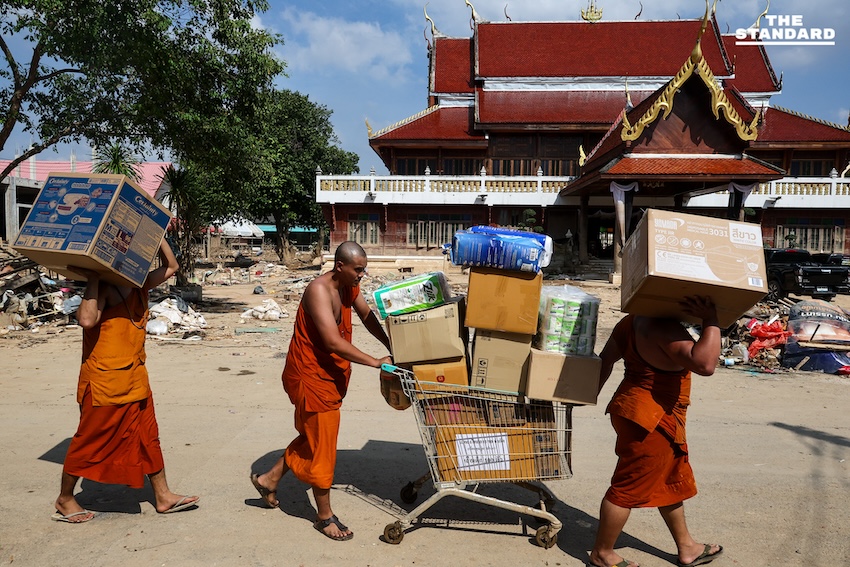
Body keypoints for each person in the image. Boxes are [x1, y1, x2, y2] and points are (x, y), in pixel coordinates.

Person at [250, 241, 392, 542]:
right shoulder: (318, 290)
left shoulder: (349, 286)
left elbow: (366, 316)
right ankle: (324, 516)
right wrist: (374, 361)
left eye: (364, 270)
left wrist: (391, 343)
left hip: (329, 376)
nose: (362, 275)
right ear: (340, 266)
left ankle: (268, 479)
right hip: (310, 377)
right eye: (358, 269)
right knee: (322, 448)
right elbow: (331, 341)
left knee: (314, 437)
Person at [53, 238, 199, 523]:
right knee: (89, 440)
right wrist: (93, 279)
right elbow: (86, 321)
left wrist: (156, 234)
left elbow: (171, 266)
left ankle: (163, 495)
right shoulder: (105, 288)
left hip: (135, 378)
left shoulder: (138, 284)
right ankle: (65, 498)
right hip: (105, 383)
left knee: (147, 437)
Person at [588, 296, 724, 567]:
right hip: (651, 421)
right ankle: (602, 553)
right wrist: (711, 318)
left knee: (668, 481)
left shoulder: (632, 322)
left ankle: (687, 547)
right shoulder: (664, 329)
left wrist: (588, 393)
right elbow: (705, 365)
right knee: (627, 488)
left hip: (632, 410)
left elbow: (606, 360)